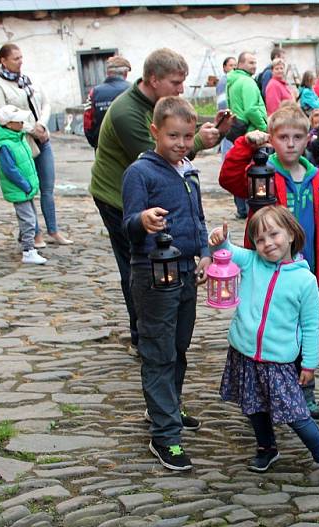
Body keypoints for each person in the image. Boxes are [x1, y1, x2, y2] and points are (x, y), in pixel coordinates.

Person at [89, 47, 226, 350]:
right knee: (137, 265)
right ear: (153, 79)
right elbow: (161, 158)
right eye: (176, 83)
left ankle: (165, 328)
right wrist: (200, 140)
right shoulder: (127, 112)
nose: (181, 89)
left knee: (159, 259)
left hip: (149, 193)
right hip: (116, 195)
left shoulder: (159, 107)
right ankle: (146, 335)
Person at [207, 206, 319, 490]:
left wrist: (309, 364)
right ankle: (266, 448)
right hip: (243, 353)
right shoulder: (251, 262)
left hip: (278, 361)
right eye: (260, 239)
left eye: (274, 234)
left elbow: (311, 327)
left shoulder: (304, 281)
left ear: (291, 234)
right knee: (252, 405)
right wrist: (220, 240)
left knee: (298, 415)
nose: (268, 243)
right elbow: (228, 251)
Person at [219, 102, 319, 419]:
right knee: (271, 329)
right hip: (268, 270)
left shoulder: (318, 179)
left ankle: (304, 390)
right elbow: (228, 179)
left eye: (298, 137)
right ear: (271, 137)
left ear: (308, 136)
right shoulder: (262, 172)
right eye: (283, 137)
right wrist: (245, 143)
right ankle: (264, 391)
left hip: (302, 271)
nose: (291, 144)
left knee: (302, 329)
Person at [122, 96, 212, 471]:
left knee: (178, 345)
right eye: (173, 135)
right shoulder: (139, 174)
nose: (181, 143)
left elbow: (199, 217)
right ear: (155, 131)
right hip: (153, 273)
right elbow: (127, 226)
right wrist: (142, 219)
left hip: (186, 271)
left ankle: (167, 405)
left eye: (188, 136)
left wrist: (205, 251)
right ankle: (165, 435)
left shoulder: (188, 171)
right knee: (158, 350)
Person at [0, 43, 72, 247]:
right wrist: (31, 129)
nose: (20, 61)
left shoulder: (30, 80)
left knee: (47, 187)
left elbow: (45, 103)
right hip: (22, 141)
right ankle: (35, 232)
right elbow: (4, 116)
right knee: (27, 189)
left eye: (21, 57)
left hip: (42, 137)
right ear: (4, 61)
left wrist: (42, 125)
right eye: (15, 58)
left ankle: (53, 230)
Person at [0, 104, 46, 265]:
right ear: (8, 124)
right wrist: (26, 185)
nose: (22, 123)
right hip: (20, 188)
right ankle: (28, 250)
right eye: (18, 121)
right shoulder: (6, 145)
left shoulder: (17, 138)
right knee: (28, 219)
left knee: (29, 217)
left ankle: (24, 241)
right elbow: (10, 170)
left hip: (25, 187)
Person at [226, 51, 267, 219]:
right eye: (250, 62)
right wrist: (265, 127)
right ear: (241, 64)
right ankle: (255, 209)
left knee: (241, 169)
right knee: (255, 172)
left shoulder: (232, 82)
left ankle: (241, 209)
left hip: (239, 130)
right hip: (252, 133)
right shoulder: (247, 82)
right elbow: (251, 109)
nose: (254, 66)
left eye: (255, 62)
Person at [83, 55, 131, 149]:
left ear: (108, 73)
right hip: (129, 148)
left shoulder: (94, 92)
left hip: (102, 148)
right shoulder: (132, 90)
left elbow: (87, 123)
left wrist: (95, 143)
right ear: (125, 73)